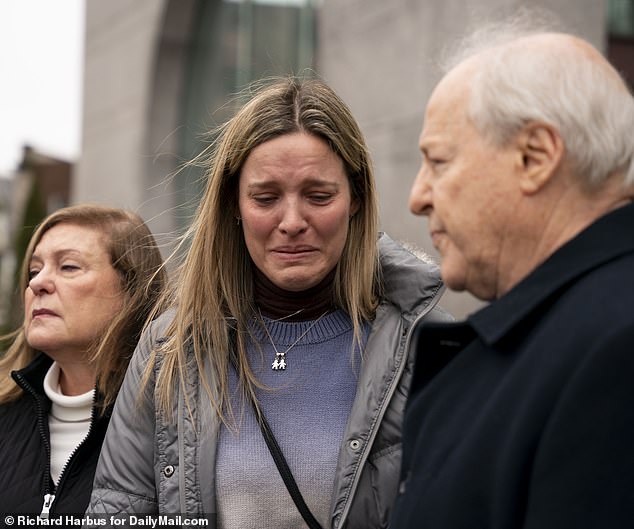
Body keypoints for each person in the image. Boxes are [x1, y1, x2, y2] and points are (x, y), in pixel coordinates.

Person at [85, 77, 450, 528]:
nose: (292, 221)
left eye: (319, 196)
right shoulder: (169, 350)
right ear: (233, 204)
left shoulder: (425, 344)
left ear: (356, 198)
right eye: (266, 197)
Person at [390, 18, 634, 529]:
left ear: (535, 156)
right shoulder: (576, 332)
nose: (418, 198)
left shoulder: (614, 350)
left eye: (437, 160)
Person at [0, 204, 165, 516]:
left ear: (133, 291)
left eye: (69, 267)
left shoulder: (176, 422)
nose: (37, 284)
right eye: (34, 271)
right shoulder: (5, 414)